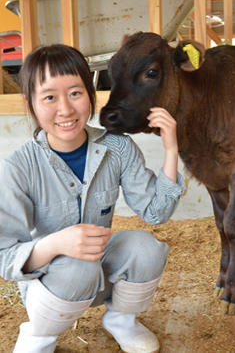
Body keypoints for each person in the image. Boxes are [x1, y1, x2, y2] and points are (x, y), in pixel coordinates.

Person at [0, 44, 186, 353]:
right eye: (49, 97)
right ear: (30, 103)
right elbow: (4, 256)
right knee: (78, 267)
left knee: (146, 247)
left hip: (100, 266)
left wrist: (171, 151)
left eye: (75, 93)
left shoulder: (118, 148)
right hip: (50, 282)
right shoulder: (19, 167)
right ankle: (38, 336)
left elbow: (156, 213)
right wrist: (57, 244)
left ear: (90, 94)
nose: (65, 110)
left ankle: (121, 321)